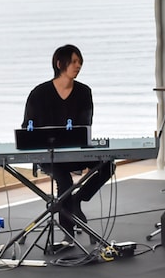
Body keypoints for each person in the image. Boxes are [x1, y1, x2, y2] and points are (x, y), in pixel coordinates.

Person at [22, 44, 113, 236]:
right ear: (59, 63)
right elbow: (27, 127)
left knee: (107, 166)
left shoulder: (84, 92)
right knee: (64, 181)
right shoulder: (39, 93)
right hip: (48, 155)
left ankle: (76, 200)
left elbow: (84, 126)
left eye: (80, 62)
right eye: (74, 61)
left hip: (75, 151)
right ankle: (67, 231)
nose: (78, 66)